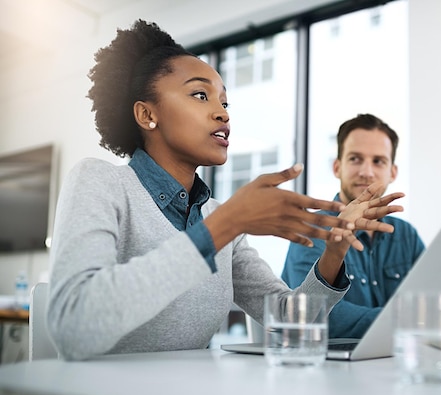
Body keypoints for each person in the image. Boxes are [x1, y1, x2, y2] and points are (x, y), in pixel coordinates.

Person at [46, 21, 405, 361]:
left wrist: (335, 250)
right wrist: (225, 225)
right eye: (200, 95)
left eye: (225, 102)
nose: (222, 113)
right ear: (146, 114)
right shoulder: (100, 182)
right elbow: (73, 326)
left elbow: (290, 319)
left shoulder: (217, 217)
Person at [281, 113, 441, 339]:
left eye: (378, 161)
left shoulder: (405, 235)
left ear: (392, 172)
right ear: (337, 167)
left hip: (396, 367)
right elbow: (322, 318)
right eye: (355, 159)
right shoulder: (311, 229)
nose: (366, 172)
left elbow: (438, 297)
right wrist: (437, 319)